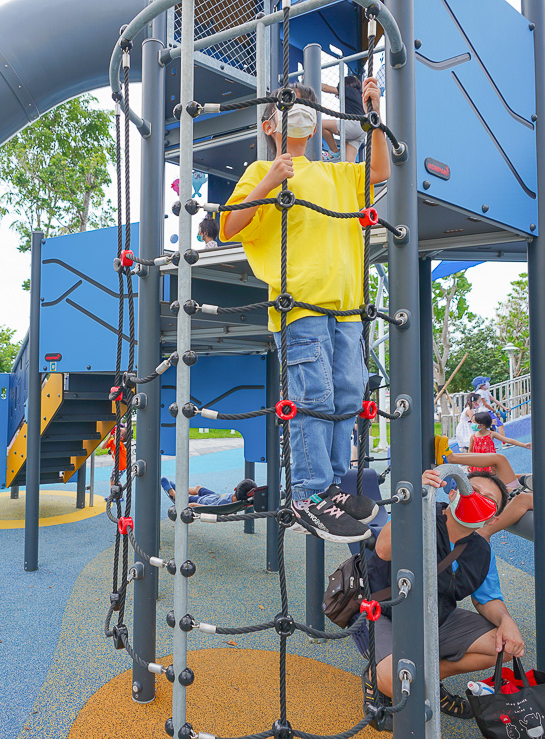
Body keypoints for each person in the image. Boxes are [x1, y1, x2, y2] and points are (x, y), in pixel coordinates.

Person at [220, 78, 389, 545]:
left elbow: (379, 170)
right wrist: (273, 179)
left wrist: (373, 114)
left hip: (348, 306)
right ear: (269, 123)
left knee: (349, 397)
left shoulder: (336, 173)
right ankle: (308, 493)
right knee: (313, 398)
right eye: (291, 107)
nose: (301, 114)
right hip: (301, 306)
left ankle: (333, 484)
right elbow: (229, 226)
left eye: (308, 109)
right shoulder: (261, 169)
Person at [361, 467, 524, 719]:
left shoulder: (481, 551)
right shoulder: (423, 515)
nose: (475, 498)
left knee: (506, 647)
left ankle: (427, 680)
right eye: (471, 491)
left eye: (488, 500)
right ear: (452, 493)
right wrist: (413, 500)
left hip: (435, 616)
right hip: (382, 611)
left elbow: (488, 598)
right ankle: (382, 677)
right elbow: (384, 550)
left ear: (493, 518)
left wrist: (506, 621)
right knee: (393, 682)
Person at [320, 75, 367, 163]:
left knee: (320, 124)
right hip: (362, 130)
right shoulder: (361, 95)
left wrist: (309, 81)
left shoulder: (348, 90)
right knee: (348, 163)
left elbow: (325, 88)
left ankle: (334, 151)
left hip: (353, 124)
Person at [160, 477, 257, 507]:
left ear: (236, 489)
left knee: (188, 498)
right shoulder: (242, 499)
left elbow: (210, 508)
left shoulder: (225, 505)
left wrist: (193, 505)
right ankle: (179, 489)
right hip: (215, 496)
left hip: (204, 501)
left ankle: (173, 493)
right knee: (198, 488)